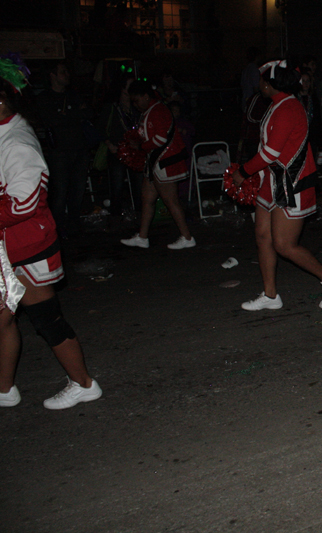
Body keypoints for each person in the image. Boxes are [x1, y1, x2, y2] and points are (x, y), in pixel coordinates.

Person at [0, 54, 102, 410]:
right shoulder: (5, 135)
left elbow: (24, 204)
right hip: (11, 247)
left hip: (28, 246)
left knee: (46, 319)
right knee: (4, 318)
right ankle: (5, 390)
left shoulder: (17, 143)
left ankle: (84, 383)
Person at [231, 60, 322, 311]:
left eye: (262, 79)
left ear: (269, 84)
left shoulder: (288, 108)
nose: (259, 83)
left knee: (284, 244)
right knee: (263, 237)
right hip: (271, 181)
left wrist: (243, 172)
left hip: (290, 183)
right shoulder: (277, 105)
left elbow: (271, 152)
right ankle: (270, 295)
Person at [120, 80, 196, 250]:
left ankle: (187, 237)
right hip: (156, 162)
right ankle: (142, 236)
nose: (135, 104)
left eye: (136, 100)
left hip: (165, 163)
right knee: (147, 198)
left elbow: (160, 139)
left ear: (146, 96)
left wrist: (140, 146)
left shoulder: (158, 110)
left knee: (171, 201)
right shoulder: (150, 110)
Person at [36, 61, 93, 238]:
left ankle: (75, 225)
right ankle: (58, 228)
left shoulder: (74, 95)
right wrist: (73, 114)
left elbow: (87, 113)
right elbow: (50, 120)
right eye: (62, 72)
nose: (66, 75)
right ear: (53, 75)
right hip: (59, 152)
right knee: (60, 191)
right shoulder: (45, 98)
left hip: (79, 149)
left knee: (77, 190)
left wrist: (68, 115)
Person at [98, 75, 141, 218]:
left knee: (138, 185)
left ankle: (140, 215)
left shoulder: (137, 108)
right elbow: (100, 128)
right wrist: (109, 144)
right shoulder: (111, 107)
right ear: (121, 89)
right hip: (117, 151)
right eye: (128, 87)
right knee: (116, 186)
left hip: (134, 152)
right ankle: (116, 217)